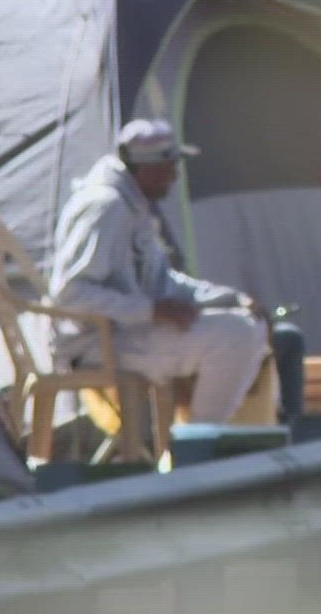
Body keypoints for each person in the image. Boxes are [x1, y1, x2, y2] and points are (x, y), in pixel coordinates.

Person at [48, 119, 270, 425]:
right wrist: (150, 311)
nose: (175, 175)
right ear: (148, 169)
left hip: (128, 332)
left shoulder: (132, 206)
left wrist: (229, 298)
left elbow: (162, 281)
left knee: (249, 324)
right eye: (170, 166)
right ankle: (200, 444)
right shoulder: (104, 207)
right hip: (95, 343)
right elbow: (70, 295)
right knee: (234, 336)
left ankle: (201, 434)